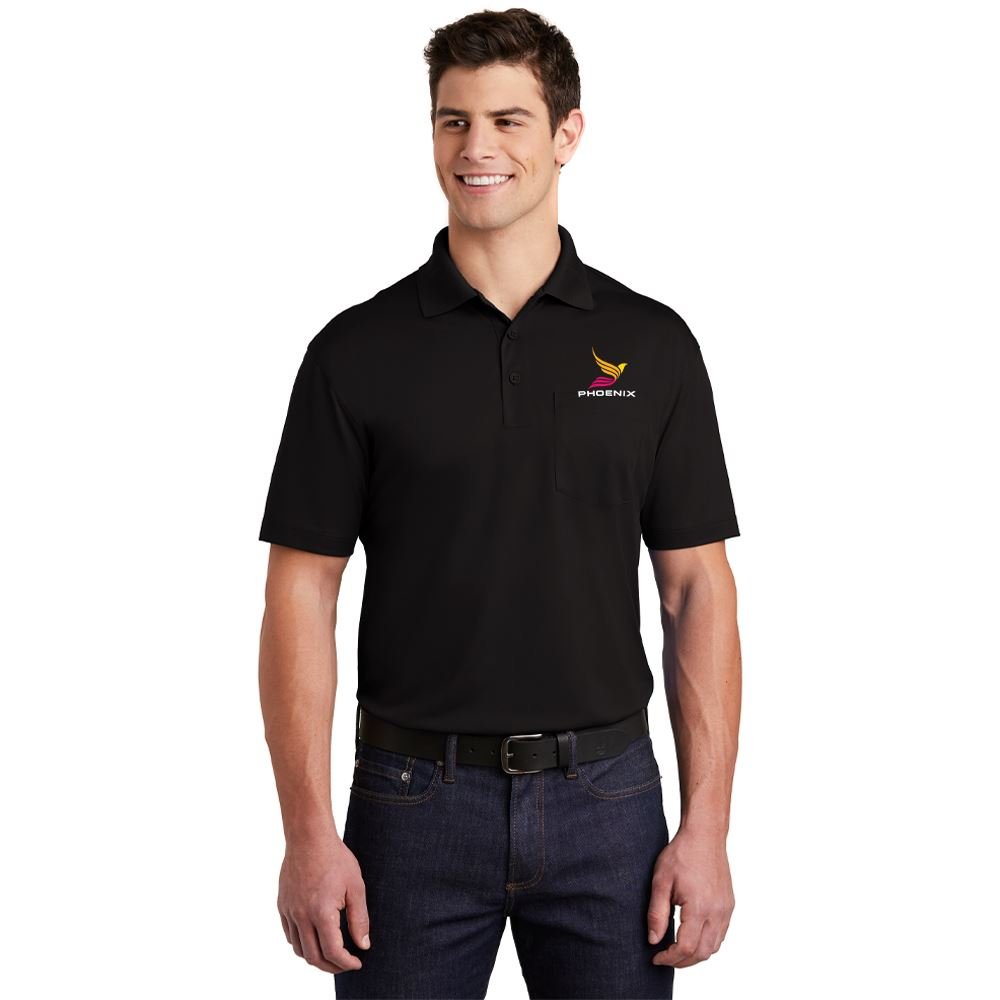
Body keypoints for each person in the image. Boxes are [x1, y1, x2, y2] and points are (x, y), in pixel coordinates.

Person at [257, 8, 741, 998]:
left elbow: (697, 588)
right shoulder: (355, 352)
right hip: (409, 804)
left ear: (567, 133)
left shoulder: (652, 346)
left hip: (610, 799)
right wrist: (307, 833)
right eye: (454, 121)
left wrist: (708, 829)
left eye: (508, 120)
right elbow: (300, 593)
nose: (476, 147)